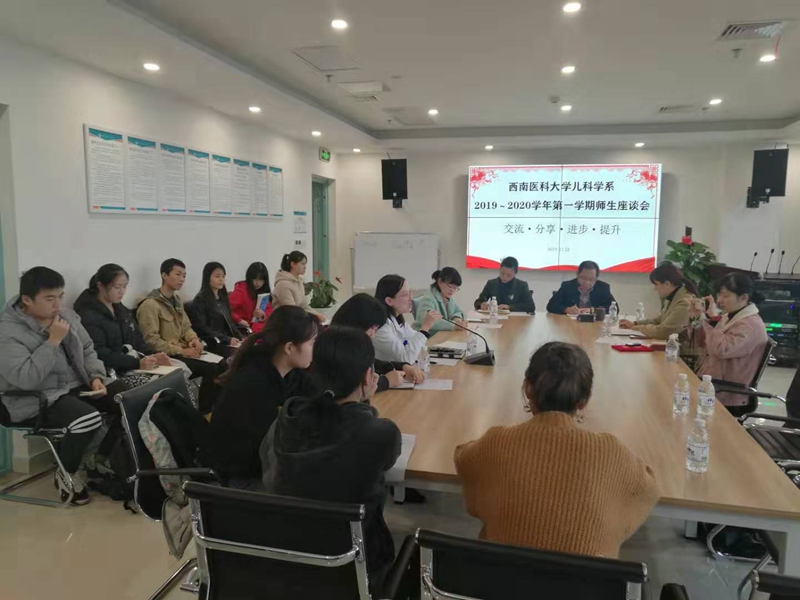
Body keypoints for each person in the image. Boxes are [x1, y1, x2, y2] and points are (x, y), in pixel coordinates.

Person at [455, 342, 658, 557]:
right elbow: (649, 489)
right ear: (584, 400)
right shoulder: (612, 452)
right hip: (587, 579)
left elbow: (463, 458)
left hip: (502, 576)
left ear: (528, 389)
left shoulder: (497, 442)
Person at [260, 326, 401, 590]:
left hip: (288, 557)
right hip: (357, 563)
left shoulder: (287, 418)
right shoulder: (381, 433)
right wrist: (365, 402)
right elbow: (383, 457)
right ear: (368, 376)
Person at [0, 267, 117, 505]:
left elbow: (88, 349)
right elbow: (26, 378)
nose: (57, 305)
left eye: (60, 296)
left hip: (73, 386)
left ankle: (96, 459)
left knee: (128, 399)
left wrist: (95, 376)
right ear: (27, 299)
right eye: (49, 299)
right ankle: (67, 473)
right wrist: (52, 341)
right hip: (32, 397)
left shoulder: (66, 316)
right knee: (87, 419)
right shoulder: (7, 332)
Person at [209, 306, 319, 488]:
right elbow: (273, 450)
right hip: (244, 479)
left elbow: (315, 397)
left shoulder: (286, 371)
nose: (315, 349)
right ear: (290, 348)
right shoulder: (254, 384)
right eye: (312, 343)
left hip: (264, 465)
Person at [136, 258, 218, 413]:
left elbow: (186, 327)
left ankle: (214, 409)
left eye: (184, 275)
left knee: (220, 364)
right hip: (167, 355)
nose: (182, 279)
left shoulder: (176, 301)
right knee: (209, 369)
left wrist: (193, 339)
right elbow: (151, 341)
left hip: (182, 350)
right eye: (178, 274)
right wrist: (182, 351)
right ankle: (205, 413)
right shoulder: (150, 305)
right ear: (164, 275)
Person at [688, 273, 769, 416]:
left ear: (744, 297)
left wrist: (714, 320)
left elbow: (719, 350)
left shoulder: (751, 325)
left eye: (725, 296)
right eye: (719, 295)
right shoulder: (729, 316)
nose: (719, 300)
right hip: (711, 383)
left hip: (727, 392)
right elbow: (702, 342)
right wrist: (696, 319)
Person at [74, 264, 169, 381]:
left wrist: (152, 355)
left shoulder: (119, 307)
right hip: (113, 372)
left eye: (124, 286)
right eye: (117, 287)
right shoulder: (88, 314)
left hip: (133, 363)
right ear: (101, 286)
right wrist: (137, 363)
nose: (122, 291)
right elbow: (100, 353)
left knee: (178, 373)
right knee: (161, 383)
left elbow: (137, 336)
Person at [332, 293, 426, 391]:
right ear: (358, 322)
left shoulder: (352, 343)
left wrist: (403, 366)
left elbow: (372, 363)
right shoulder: (335, 348)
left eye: (376, 329)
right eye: (372, 328)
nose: (373, 335)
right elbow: (351, 386)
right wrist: (386, 381)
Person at [372, 274, 442, 363]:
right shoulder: (381, 327)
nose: (411, 298)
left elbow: (420, 346)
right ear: (389, 301)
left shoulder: (398, 319)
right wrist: (425, 327)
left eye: (410, 292)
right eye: (405, 294)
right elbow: (406, 358)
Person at [619, 263, 695, 339]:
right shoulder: (673, 297)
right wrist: (635, 323)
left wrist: (637, 327)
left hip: (680, 346)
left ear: (667, 284)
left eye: (656, 284)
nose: (655, 289)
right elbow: (659, 320)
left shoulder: (684, 303)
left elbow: (664, 332)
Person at [190, 262, 243, 354]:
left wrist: (241, 337)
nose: (221, 280)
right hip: (214, 342)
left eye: (223, 276)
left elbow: (229, 322)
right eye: (217, 276)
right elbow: (202, 327)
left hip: (227, 340)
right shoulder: (200, 299)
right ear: (207, 277)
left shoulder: (223, 298)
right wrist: (227, 339)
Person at [546, 260, 615, 315]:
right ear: (577, 274)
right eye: (583, 278)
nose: (587, 282)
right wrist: (567, 309)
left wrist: (592, 310)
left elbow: (614, 308)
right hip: (570, 324)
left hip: (595, 324)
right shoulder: (567, 286)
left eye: (591, 279)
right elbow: (551, 306)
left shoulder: (603, 288)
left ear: (596, 278)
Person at [414, 268, 467, 334]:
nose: (452, 290)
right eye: (450, 286)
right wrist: (454, 325)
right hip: (427, 337)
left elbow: (459, 311)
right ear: (440, 282)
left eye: (455, 288)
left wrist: (457, 318)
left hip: (441, 335)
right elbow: (426, 320)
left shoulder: (448, 298)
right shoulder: (428, 299)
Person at [229, 261, 273, 334]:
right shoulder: (241, 291)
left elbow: (270, 310)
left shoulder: (262, 292)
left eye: (261, 279)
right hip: (243, 330)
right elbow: (226, 309)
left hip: (258, 329)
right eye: (255, 279)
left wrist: (263, 315)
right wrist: (239, 320)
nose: (258, 283)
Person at [272, 251, 319, 317]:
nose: (305, 267)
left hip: (297, 317)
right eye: (302, 264)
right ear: (293, 264)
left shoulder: (299, 282)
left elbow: (304, 306)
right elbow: (291, 310)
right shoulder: (282, 284)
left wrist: (318, 315)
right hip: (284, 320)